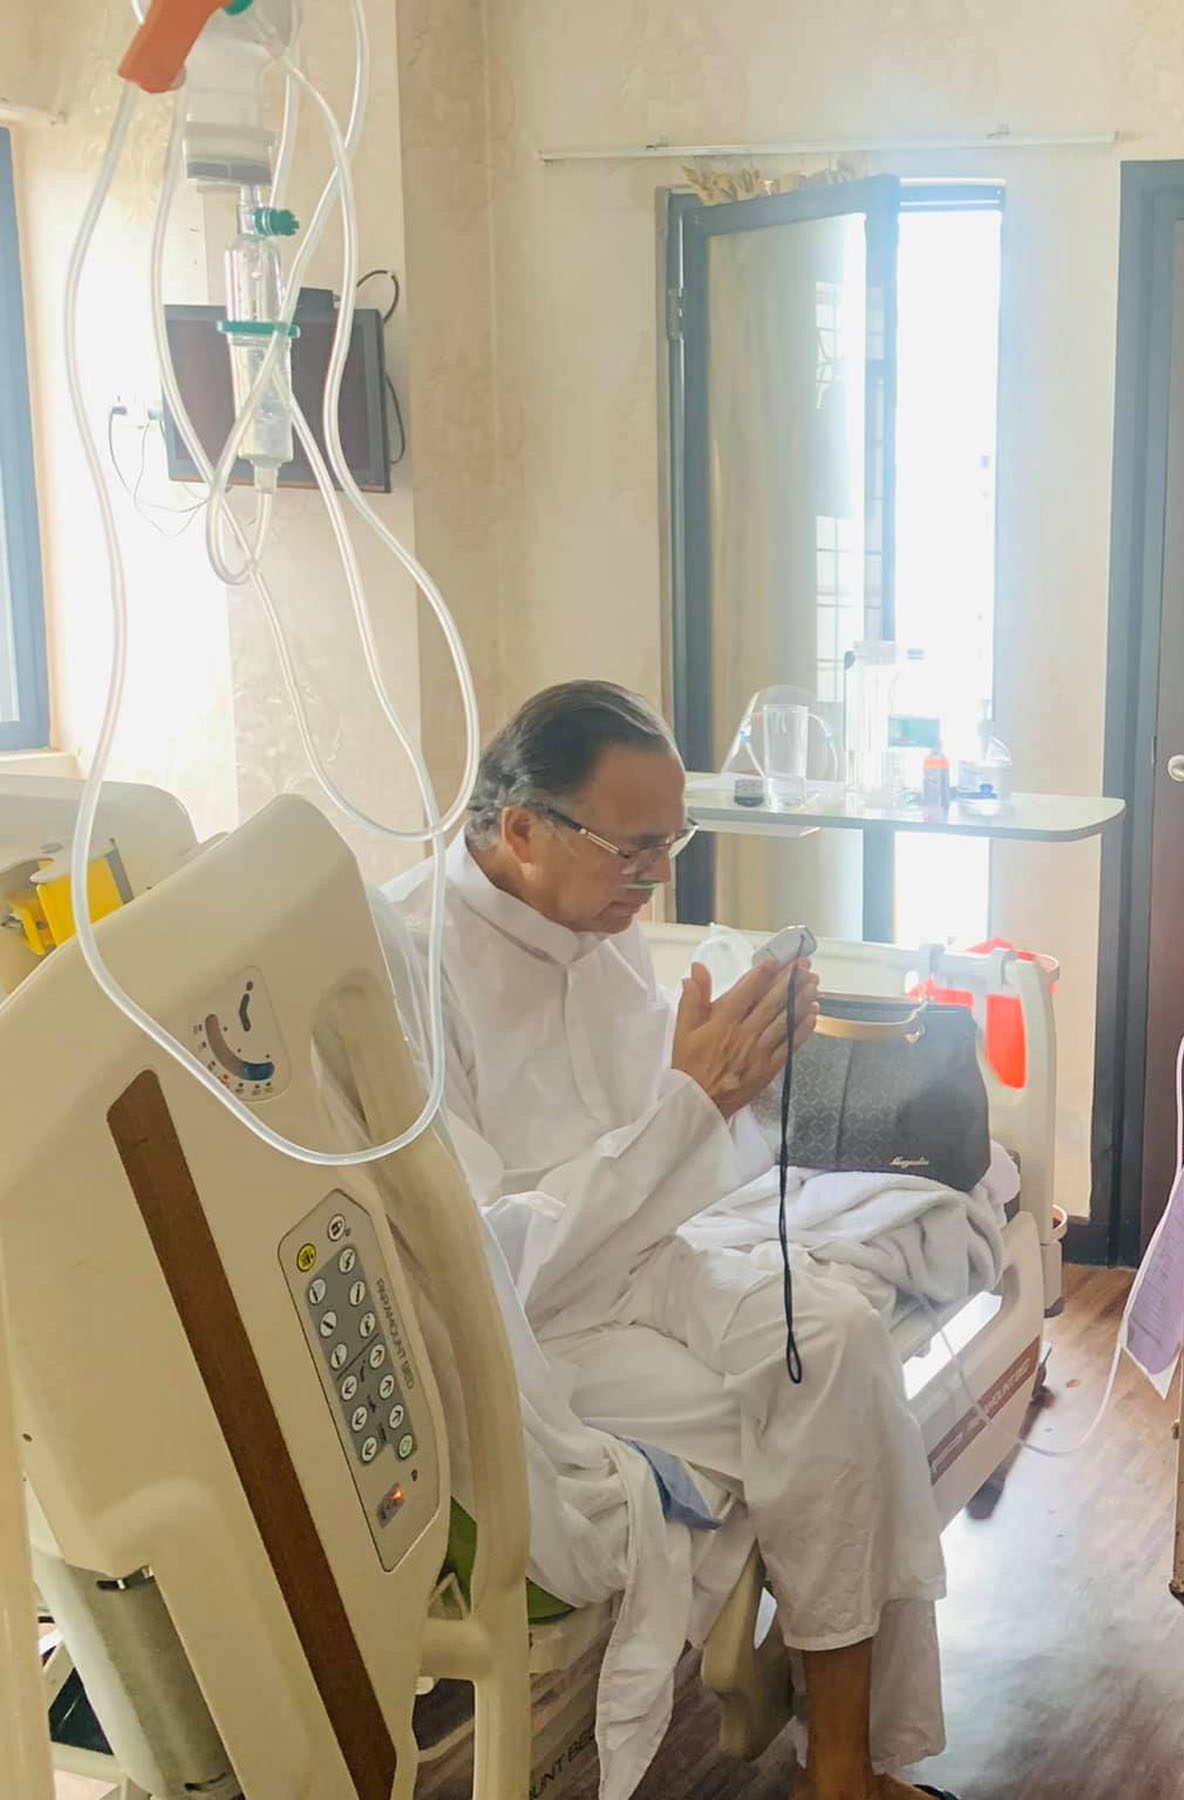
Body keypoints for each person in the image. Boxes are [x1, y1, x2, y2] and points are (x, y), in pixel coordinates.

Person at [385, 681, 954, 1800]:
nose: (655, 880)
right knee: (821, 1428)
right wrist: (694, 1103)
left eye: (670, 845)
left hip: (641, 1262)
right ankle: (826, 1746)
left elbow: (666, 1160)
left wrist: (735, 1078)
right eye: (634, 850)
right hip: (532, 1336)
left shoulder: (597, 931)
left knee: (839, 1341)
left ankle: (847, 1762)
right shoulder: (410, 965)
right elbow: (497, 1263)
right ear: (521, 829)